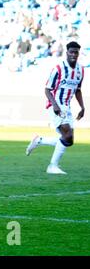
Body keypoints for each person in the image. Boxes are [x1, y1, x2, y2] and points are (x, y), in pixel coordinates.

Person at [25, 41, 85, 174]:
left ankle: (39, 140)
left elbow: (78, 90)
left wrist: (82, 107)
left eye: (76, 52)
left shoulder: (81, 70)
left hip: (67, 106)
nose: (74, 55)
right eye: (71, 52)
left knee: (68, 140)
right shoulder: (58, 69)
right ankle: (52, 166)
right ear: (66, 53)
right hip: (56, 105)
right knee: (67, 136)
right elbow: (47, 90)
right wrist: (55, 105)